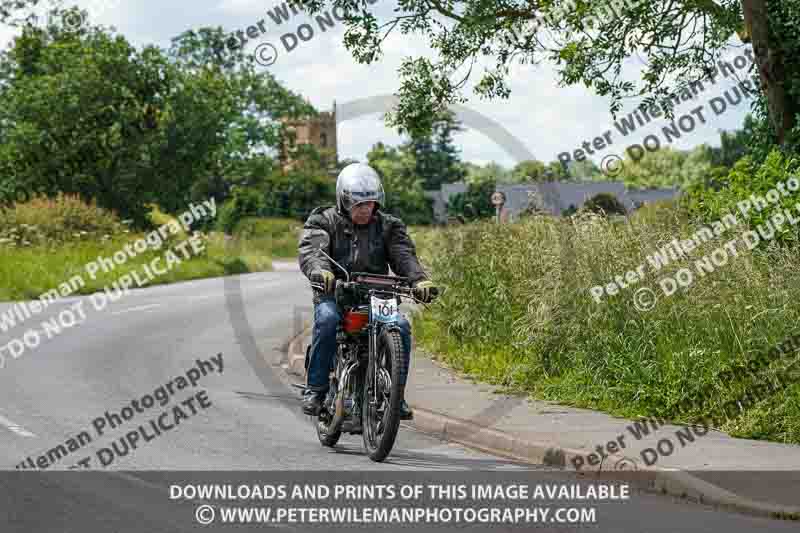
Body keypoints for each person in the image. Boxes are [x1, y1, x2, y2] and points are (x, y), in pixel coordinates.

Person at [297, 162, 437, 420]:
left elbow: (403, 255)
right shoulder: (323, 220)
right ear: (344, 201)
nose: (365, 210)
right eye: (358, 204)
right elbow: (312, 250)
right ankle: (316, 389)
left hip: (377, 296)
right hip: (336, 293)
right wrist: (321, 271)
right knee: (327, 320)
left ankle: (396, 396)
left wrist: (419, 280)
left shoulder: (389, 226)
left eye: (370, 203)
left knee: (401, 326)